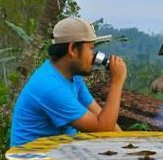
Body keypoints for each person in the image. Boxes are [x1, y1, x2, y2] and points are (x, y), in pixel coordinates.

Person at [10, 17, 126, 146]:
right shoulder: (51, 87)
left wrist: (127, 147)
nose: (93, 56)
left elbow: (101, 117)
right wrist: (117, 81)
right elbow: (103, 129)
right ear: (72, 49)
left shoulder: (72, 77)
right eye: (91, 49)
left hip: (57, 152)